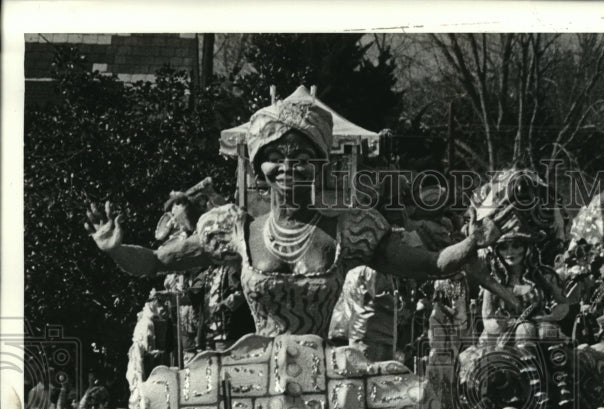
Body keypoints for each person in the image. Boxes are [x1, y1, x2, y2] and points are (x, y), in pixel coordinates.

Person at [86, 86, 517, 339]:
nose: (290, 165)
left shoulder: (351, 230)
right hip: (254, 382)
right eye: (277, 155)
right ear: (259, 165)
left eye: (302, 155)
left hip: (322, 381)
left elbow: (430, 264)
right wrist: (114, 249)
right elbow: (155, 263)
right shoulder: (234, 229)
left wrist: (472, 243)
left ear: (319, 163)